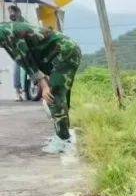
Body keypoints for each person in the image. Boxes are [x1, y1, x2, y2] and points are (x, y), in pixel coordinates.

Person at [0, 17, 82, 153]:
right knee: (58, 97)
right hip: (59, 54)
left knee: (53, 95)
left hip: (65, 52)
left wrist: (43, 85)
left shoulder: (6, 33)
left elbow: (25, 59)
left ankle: (63, 140)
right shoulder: (5, 31)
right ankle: (62, 135)